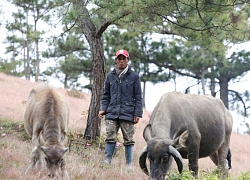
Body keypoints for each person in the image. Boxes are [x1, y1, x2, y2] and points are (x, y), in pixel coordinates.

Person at [98, 49, 143, 168]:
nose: (121, 61)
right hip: (112, 112)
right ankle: (107, 160)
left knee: (128, 139)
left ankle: (129, 165)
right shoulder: (110, 76)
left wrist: (137, 113)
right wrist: (103, 108)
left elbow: (138, 97)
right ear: (116, 60)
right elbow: (106, 95)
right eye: (119, 59)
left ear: (128, 60)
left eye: (124, 59)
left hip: (128, 113)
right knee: (110, 136)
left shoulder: (134, 76)